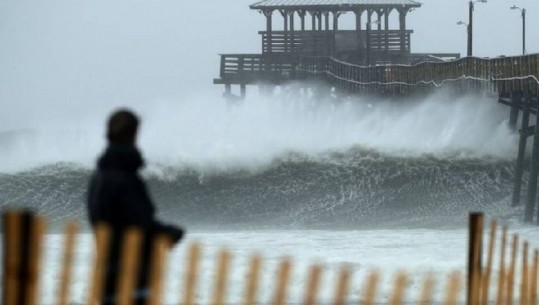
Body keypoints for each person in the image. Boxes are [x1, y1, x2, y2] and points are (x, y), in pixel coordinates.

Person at [87, 109, 184, 305]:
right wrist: (170, 232)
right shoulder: (123, 178)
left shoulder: (98, 177)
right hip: (130, 279)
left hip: (108, 276)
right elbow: (141, 224)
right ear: (133, 134)